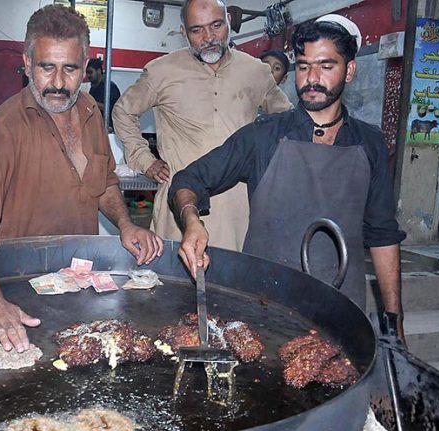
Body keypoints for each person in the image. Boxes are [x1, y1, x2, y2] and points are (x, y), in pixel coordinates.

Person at [169, 15, 407, 340]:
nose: (312, 78)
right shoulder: (263, 136)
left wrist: (395, 322)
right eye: (305, 65)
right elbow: (188, 180)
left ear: (349, 70)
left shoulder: (370, 144)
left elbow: (383, 237)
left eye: (326, 66)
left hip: (341, 307)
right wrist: (191, 219)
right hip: (265, 304)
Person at [0, 5, 164, 353]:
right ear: (26, 62)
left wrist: (126, 224)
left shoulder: (93, 113)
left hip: (81, 290)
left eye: (70, 69)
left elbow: (105, 183)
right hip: (21, 295)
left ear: (86, 65)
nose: (58, 84)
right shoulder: (5, 128)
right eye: (46, 67)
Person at [112, 0, 292, 253]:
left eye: (216, 25)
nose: (209, 37)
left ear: (229, 22)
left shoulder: (255, 71)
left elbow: (286, 121)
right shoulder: (162, 71)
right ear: (184, 32)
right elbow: (123, 112)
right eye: (197, 30)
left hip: (240, 208)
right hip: (180, 205)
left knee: (238, 284)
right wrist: (144, 159)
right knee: (175, 284)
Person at [86, 57, 121, 132]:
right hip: (98, 126)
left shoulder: (110, 87)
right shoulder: (93, 88)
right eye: (87, 73)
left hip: (111, 128)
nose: (88, 75)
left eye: (90, 72)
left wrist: (89, 101)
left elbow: (109, 108)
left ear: (98, 71)